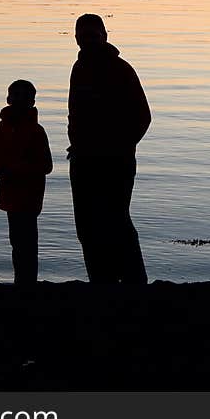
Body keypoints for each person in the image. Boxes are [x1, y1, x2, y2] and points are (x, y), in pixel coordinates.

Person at [68, 14, 151, 284]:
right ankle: (101, 280)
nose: (88, 39)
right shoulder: (78, 68)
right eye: (83, 34)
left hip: (116, 161)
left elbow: (142, 117)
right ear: (76, 37)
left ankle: (133, 281)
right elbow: (75, 114)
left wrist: (120, 147)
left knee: (116, 221)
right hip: (82, 160)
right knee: (87, 225)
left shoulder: (120, 69)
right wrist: (76, 144)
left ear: (105, 35)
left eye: (93, 34)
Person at [0, 79, 52, 287]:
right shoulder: (3, 127)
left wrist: (16, 169)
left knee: (26, 242)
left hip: (29, 194)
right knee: (16, 241)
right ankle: (21, 280)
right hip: (9, 191)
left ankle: (27, 282)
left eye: (24, 98)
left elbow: (46, 165)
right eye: (15, 96)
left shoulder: (36, 131)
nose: (18, 101)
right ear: (8, 99)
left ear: (32, 102)